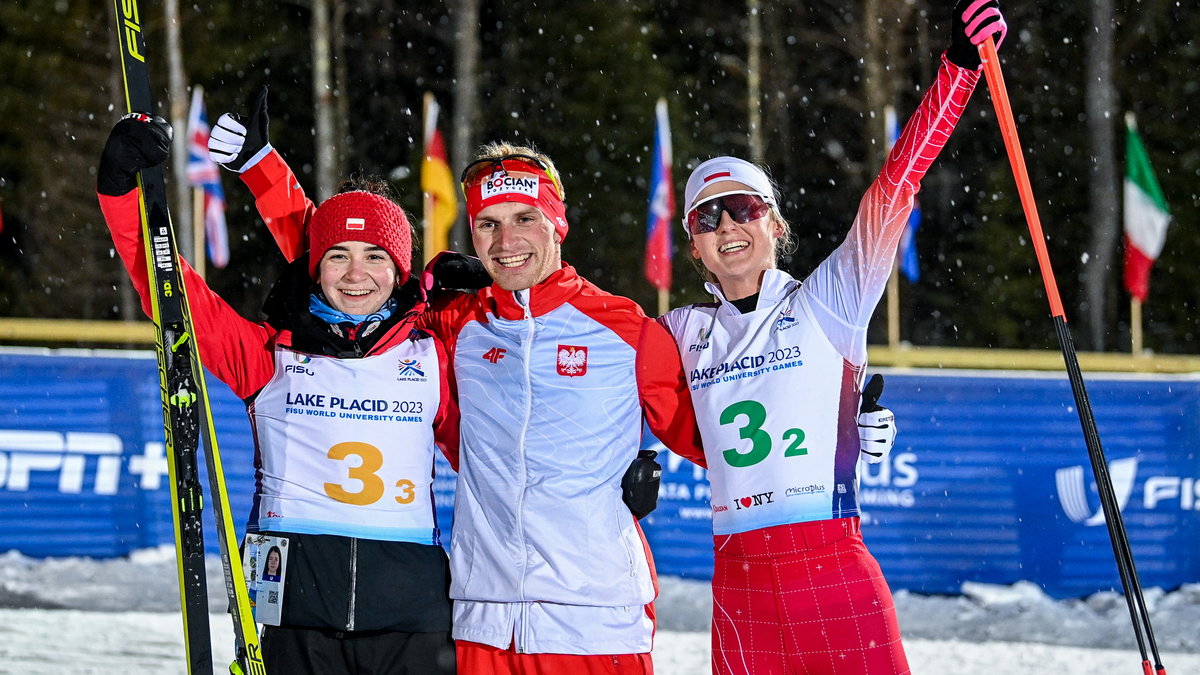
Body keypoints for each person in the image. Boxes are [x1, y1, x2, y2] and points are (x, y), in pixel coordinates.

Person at [209, 103, 706, 671]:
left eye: (525, 218)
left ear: (558, 223)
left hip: (593, 617)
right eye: (488, 224)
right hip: (481, 618)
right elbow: (345, 254)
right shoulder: (454, 323)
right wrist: (262, 169)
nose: (506, 240)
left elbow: (712, 439)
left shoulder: (627, 330)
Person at [656, 2, 1009, 673]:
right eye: (708, 216)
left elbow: (895, 188)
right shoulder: (678, 330)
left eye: (746, 208)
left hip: (832, 566)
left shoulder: (828, 302)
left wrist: (958, 70)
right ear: (694, 246)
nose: (729, 224)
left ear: (776, 226)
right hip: (738, 583)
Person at [96, 113, 458, 675]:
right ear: (315, 268)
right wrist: (120, 191)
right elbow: (168, 288)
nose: (355, 273)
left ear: (400, 269)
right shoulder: (270, 356)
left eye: (376, 257)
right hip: (294, 608)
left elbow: (507, 445)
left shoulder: (434, 353)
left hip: (412, 613)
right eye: (338, 255)